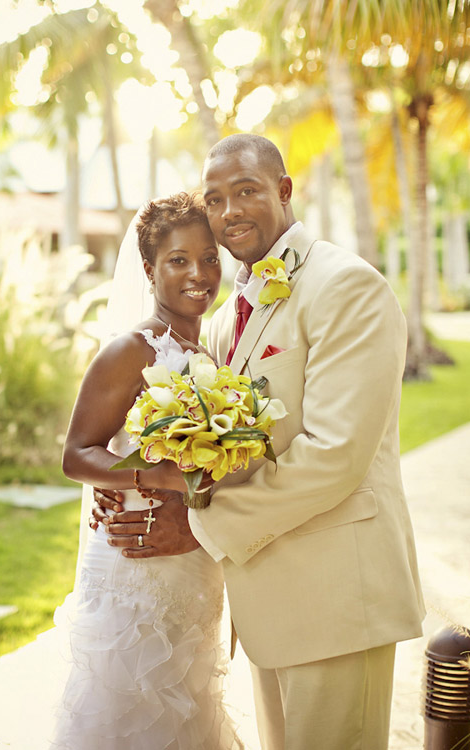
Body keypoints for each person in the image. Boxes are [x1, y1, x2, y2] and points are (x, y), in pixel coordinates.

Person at [93, 134, 426, 750]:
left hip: (336, 601)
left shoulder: (346, 286)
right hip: (266, 600)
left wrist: (196, 526)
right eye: (214, 199)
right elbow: (206, 436)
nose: (229, 213)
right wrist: (138, 486)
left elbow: (335, 456)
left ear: (283, 189)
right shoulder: (228, 314)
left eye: (245, 191)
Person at [51, 192, 243, 750]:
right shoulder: (129, 351)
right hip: (137, 568)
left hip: (193, 565)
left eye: (209, 257)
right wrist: (154, 478)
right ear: (148, 270)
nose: (200, 274)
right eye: (178, 260)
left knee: (190, 708)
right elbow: (76, 454)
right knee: (130, 711)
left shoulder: (211, 356)